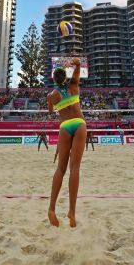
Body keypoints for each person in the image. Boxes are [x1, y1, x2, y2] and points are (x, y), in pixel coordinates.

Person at [46, 58, 87, 228]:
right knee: (75, 168)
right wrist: (76, 63)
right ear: (66, 76)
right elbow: (78, 67)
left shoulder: (51, 96)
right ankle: (71, 211)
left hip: (64, 126)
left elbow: (50, 112)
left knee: (60, 169)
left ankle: (52, 208)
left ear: (54, 79)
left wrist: (54, 100)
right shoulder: (74, 85)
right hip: (79, 124)